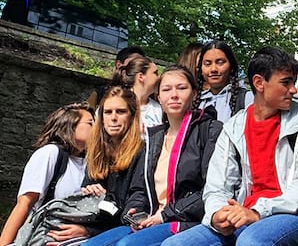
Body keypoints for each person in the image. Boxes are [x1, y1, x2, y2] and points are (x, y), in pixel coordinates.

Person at [161, 47, 298, 246]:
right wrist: (218, 214)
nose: (293, 90)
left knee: (251, 242)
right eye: (286, 83)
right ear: (259, 83)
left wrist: (257, 211)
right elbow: (217, 186)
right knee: (174, 244)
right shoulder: (233, 128)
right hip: (243, 215)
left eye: (293, 83)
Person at [82, 66, 223, 246]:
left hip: (187, 219)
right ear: (159, 97)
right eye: (166, 89)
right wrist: (134, 212)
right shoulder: (155, 137)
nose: (174, 95)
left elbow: (211, 189)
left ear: (195, 94)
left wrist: (164, 215)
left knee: (127, 245)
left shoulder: (209, 130)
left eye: (181, 88)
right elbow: (140, 188)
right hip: (152, 217)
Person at [0, 102, 95, 246]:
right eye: (90, 123)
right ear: (71, 124)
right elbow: (24, 204)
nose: (96, 128)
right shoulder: (50, 154)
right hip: (45, 237)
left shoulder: (92, 163)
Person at [79, 87, 145, 238]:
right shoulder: (96, 151)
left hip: (122, 228)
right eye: (108, 112)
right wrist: (89, 193)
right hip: (92, 221)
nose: (113, 118)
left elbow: (133, 206)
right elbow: (84, 198)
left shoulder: (142, 152)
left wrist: (105, 199)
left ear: (132, 116)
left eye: (120, 112)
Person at [196, 40, 253, 122]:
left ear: (231, 66)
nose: (213, 69)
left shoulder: (247, 99)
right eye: (207, 64)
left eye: (220, 63)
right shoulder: (196, 103)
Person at [112, 54, 162, 134]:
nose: (159, 77)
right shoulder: (114, 104)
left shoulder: (158, 109)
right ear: (141, 77)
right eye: (155, 73)